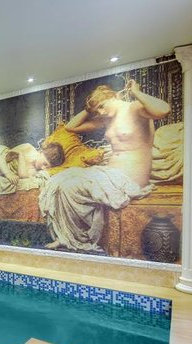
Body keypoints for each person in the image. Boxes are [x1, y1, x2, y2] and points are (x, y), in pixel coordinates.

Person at [39, 79, 171, 252]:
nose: (100, 112)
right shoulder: (106, 119)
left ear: (114, 96)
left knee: (70, 185)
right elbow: (71, 127)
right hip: (110, 173)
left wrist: (137, 93)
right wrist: (90, 108)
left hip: (130, 177)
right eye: (97, 111)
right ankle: (64, 237)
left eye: (102, 106)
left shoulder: (134, 108)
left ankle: (76, 239)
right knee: (57, 181)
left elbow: (164, 110)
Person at [0, 142, 66, 195]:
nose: (43, 168)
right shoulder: (28, 147)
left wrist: (21, 156)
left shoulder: (35, 171)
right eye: (45, 163)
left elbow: (22, 175)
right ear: (42, 152)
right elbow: (2, 158)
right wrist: (8, 173)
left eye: (47, 167)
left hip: (1, 169)